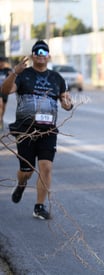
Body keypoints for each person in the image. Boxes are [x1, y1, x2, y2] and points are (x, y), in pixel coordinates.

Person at [1, 40, 73, 220]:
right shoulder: (23, 75)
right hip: (25, 130)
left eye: (44, 51)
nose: (41, 53)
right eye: (37, 51)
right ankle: (21, 183)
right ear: (33, 55)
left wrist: (67, 104)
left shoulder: (57, 78)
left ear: (48, 56)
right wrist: (13, 73)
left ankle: (39, 206)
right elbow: (4, 90)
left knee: (46, 167)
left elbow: (66, 102)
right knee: (27, 171)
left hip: (48, 130)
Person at [0, 56, 12, 131]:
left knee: (3, 107)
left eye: (3, 62)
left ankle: (1, 119)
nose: (1, 64)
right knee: (0, 104)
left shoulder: (7, 70)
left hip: (4, 91)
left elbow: (12, 76)